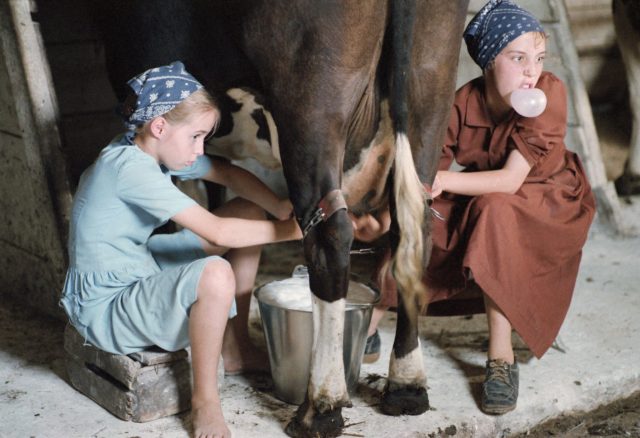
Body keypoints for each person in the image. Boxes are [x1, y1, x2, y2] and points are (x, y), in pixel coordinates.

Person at [352, 0, 596, 415]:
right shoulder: (461, 103)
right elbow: (426, 178)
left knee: (492, 212)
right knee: (425, 217)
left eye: (537, 58)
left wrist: (439, 183)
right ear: (487, 62)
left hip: (549, 198)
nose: (530, 71)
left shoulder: (548, 93)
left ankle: (501, 359)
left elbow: (508, 181)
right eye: (517, 58)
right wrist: (388, 218)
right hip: (486, 193)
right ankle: (370, 323)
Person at [59, 61, 302, 437]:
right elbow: (218, 231)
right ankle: (205, 400)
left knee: (250, 213)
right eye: (196, 136)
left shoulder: (148, 147)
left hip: (140, 263)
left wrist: (280, 208)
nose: (199, 149)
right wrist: (293, 231)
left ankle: (234, 347)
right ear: (159, 126)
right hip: (107, 301)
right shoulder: (129, 169)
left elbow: (226, 173)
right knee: (216, 273)